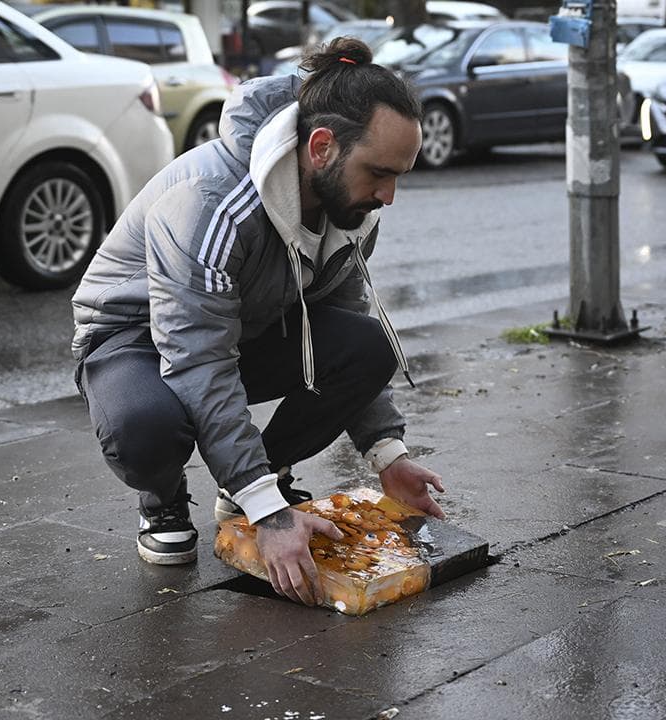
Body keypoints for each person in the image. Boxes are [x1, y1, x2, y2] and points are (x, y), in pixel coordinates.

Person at [70, 37, 445, 606]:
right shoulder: (213, 204)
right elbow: (197, 359)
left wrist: (387, 455)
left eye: (399, 176)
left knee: (366, 347)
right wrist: (270, 516)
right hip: (134, 338)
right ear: (322, 147)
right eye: (379, 173)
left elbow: (340, 328)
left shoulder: (350, 207)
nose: (388, 196)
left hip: (242, 328)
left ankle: (249, 478)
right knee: (147, 428)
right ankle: (164, 496)